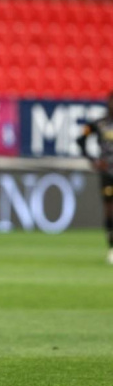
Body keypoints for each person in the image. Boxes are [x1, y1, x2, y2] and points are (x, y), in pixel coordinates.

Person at [76, 90, 113, 264]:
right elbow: (81, 140)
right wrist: (93, 160)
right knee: (110, 210)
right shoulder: (99, 124)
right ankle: (112, 247)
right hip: (107, 172)